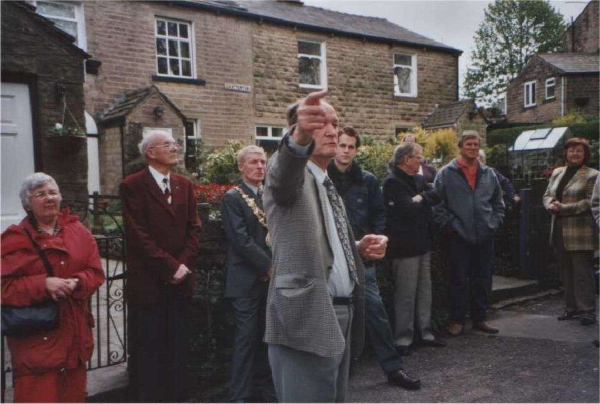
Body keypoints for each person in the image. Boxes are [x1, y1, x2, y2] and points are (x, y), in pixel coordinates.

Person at [263, 90, 388, 402]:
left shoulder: (326, 180)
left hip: (341, 312)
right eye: (320, 123)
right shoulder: (288, 173)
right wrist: (300, 136)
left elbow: (323, 243)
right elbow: (284, 172)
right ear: (299, 129)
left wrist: (357, 249)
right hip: (306, 315)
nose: (332, 130)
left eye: (335, 123)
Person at [328, 127, 421, 390]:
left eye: (351, 147)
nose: (346, 150)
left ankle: (393, 369)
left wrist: (378, 239)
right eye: (342, 145)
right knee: (335, 318)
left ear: (357, 150)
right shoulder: (322, 178)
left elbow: (380, 215)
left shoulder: (367, 180)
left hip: (361, 260)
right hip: (331, 261)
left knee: (376, 313)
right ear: (335, 147)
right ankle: (337, 375)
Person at [1, 172, 105, 403]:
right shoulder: (14, 238)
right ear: (28, 204)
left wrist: (78, 281)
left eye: (52, 192)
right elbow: (4, 287)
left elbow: (96, 273)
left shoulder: (79, 232)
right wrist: (43, 284)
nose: (49, 198)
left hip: (74, 334)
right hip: (37, 340)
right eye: (40, 194)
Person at [120, 130, 202, 402]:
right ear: (150, 152)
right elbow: (137, 234)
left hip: (181, 281)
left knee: (178, 348)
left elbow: (194, 229)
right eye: (167, 144)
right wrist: (170, 267)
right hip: (150, 284)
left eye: (175, 143)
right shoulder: (132, 185)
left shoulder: (184, 184)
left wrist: (183, 265)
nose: (174, 148)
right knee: (149, 351)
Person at [433, 131, 505, 336]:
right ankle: (456, 320)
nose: (472, 148)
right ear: (460, 146)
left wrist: (493, 223)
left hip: (484, 235)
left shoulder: (488, 173)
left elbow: (498, 203)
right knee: (458, 279)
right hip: (459, 237)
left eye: (475, 144)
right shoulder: (446, 173)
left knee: (483, 278)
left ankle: (480, 318)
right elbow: (437, 204)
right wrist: (451, 226)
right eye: (468, 144)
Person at [221, 145, 274, 402]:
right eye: (254, 162)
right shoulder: (233, 197)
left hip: (271, 280)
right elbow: (240, 240)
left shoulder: (270, 196)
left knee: (269, 338)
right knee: (245, 339)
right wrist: (267, 266)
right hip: (245, 280)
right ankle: (239, 396)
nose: (260, 167)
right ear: (241, 167)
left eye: (263, 162)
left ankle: (265, 390)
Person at [383, 143, 446, 355]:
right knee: (405, 294)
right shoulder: (393, 182)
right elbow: (408, 209)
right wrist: (421, 199)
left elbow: (436, 195)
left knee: (424, 291)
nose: (422, 161)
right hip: (404, 247)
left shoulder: (418, 180)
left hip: (422, 244)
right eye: (418, 157)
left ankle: (425, 333)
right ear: (406, 160)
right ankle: (403, 339)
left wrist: (420, 197)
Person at [543, 137, 598, 326]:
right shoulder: (558, 172)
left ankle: (587, 311)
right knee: (565, 271)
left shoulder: (593, 175)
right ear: (565, 153)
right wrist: (550, 204)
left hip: (580, 230)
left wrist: (564, 208)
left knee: (583, 272)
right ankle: (571, 308)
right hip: (558, 227)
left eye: (579, 150)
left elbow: (590, 202)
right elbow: (548, 194)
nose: (575, 153)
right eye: (571, 150)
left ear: (585, 154)